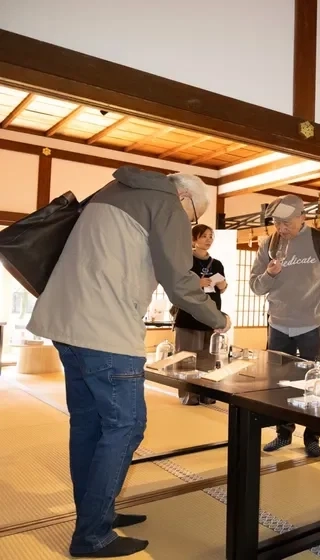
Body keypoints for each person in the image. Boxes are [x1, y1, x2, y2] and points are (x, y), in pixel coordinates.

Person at [27, 167, 230, 558]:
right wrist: (219, 319)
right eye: (193, 218)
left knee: (88, 425)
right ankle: (92, 535)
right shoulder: (167, 204)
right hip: (105, 331)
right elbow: (179, 279)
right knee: (126, 427)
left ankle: (96, 514)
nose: (189, 223)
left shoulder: (113, 189)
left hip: (65, 323)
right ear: (185, 198)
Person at [250, 194, 320, 458]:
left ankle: (312, 436)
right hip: (278, 324)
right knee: (280, 384)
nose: (281, 228)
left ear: (303, 217)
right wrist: (270, 273)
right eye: (276, 222)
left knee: (315, 383)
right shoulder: (269, 244)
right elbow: (255, 286)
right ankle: (283, 433)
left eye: (286, 222)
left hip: (313, 324)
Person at [174, 224, 228, 405]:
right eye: (204, 236)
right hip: (189, 316)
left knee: (209, 357)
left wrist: (223, 286)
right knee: (187, 357)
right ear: (194, 239)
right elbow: (177, 286)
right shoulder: (184, 261)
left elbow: (223, 286)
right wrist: (198, 283)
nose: (208, 240)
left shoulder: (217, 263)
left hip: (211, 316)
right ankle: (188, 394)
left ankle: (206, 392)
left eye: (211, 236)